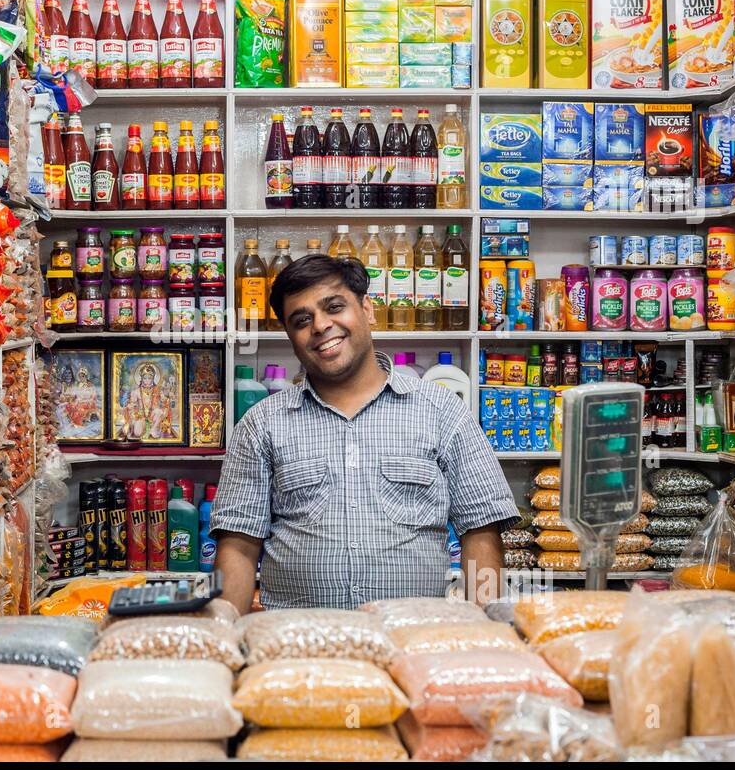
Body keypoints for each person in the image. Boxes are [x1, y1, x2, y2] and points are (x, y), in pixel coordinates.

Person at [209, 255, 516, 612]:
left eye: (334, 307)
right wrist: (225, 636)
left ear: (368, 309)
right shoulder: (261, 423)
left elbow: (480, 531)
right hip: (299, 645)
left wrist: (486, 631)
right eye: (302, 320)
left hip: (411, 639)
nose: (321, 326)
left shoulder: (442, 410)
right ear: (291, 337)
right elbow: (238, 547)